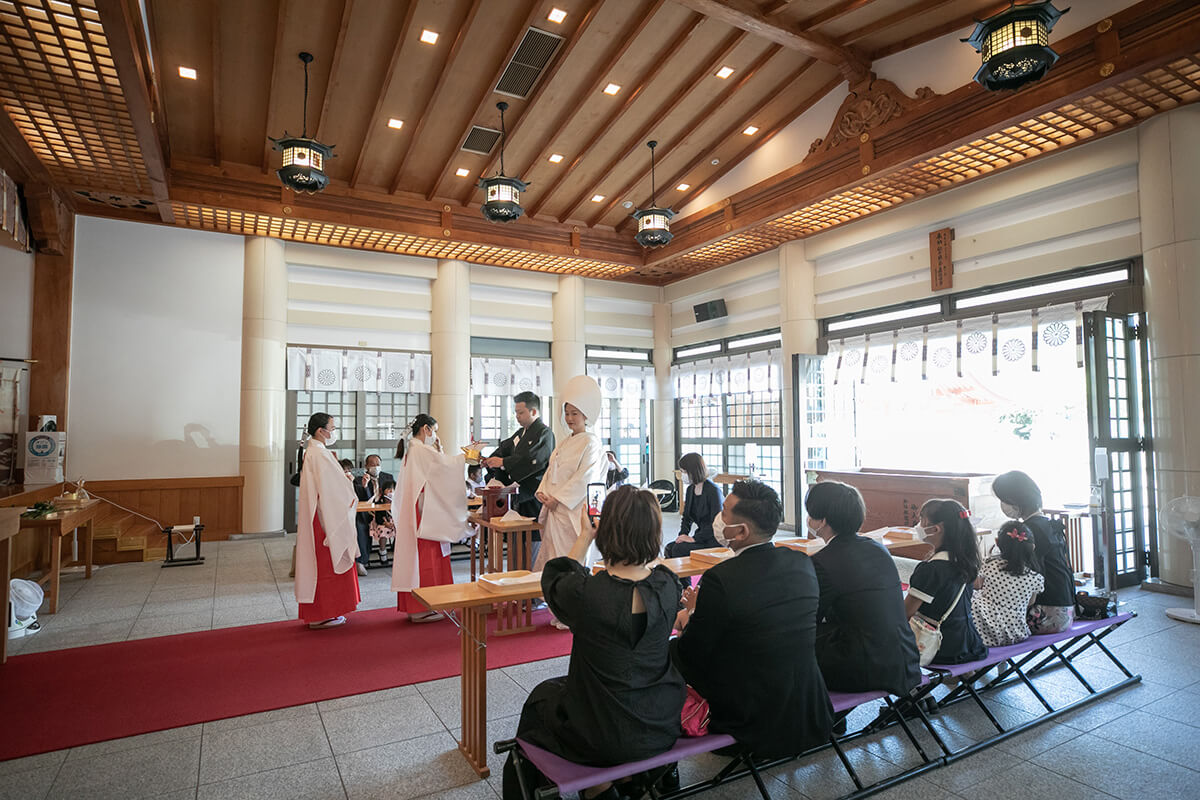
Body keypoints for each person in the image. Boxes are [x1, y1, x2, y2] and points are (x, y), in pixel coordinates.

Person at [502, 486, 686, 800]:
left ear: (606, 533)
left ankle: (598, 788)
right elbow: (650, 568)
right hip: (661, 721)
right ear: (655, 532)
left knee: (540, 702)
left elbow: (557, 575)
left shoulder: (587, 594)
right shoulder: (668, 585)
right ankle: (623, 783)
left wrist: (585, 536)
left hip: (601, 734)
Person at [671, 481, 833, 759]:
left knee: (663, 657)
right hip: (809, 703)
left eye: (724, 512)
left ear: (742, 531)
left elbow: (692, 655)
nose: (718, 520)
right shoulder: (801, 563)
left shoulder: (722, 579)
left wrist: (687, 622)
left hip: (749, 713)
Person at [806, 481, 921, 697]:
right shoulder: (877, 548)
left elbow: (809, 617)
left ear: (821, 520)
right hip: (904, 656)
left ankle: (825, 721)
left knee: (795, 642)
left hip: (865, 666)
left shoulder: (823, 561)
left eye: (811, 513)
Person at [534, 377, 607, 630]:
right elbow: (550, 471)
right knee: (555, 560)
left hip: (574, 511)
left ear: (586, 415)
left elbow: (586, 477)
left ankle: (574, 610)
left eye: (574, 413)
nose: (569, 418)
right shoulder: (564, 442)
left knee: (573, 559)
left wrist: (559, 498)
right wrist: (543, 492)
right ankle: (558, 607)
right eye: (567, 413)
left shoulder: (592, 442)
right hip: (556, 510)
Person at [391, 414, 470, 622]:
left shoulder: (415, 449)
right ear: (426, 429)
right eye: (434, 430)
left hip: (420, 512)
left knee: (421, 560)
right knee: (425, 561)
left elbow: (439, 468)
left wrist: (441, 452)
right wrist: (467, 456)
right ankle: (421, 607)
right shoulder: (420, 450)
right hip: (424, 516)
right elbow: (446, 468)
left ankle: (419, 607)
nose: (435, 435)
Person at [295, 413, 361, 629]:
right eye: (332, 428)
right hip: (324, 518)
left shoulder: (313, 452)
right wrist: (348, 485)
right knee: (326, 563)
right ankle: (324, 612)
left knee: (320, 563)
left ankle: (321, 612)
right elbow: (334, 489)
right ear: (320, 431)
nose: (333, 432)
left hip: (318, 513)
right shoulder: (320, 454)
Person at [905, 499, 987, 664]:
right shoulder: (967, 562)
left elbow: (905, 613)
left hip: (940, 648)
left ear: (936, 529)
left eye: (921, 519)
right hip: (971, 644)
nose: (918, 525)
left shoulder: (931, 570)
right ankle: (962, 677)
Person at [993, 470, 1075, 634]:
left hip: (1047, 614)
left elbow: (1021, 574)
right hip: (1067, 608)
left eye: (1004, 500)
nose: (1002, 504)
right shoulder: (1047, 523)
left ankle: (998, 659)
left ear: (1016, 500)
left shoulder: (1029, 531)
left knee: (984, 616)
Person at [971, 520, 1045, 647]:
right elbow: (1030, 603)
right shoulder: (1036, 578)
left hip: (987, 631)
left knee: (969, 596)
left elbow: (976, 585)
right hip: (1017, 632)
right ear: (1032, 547)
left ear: (997, 542)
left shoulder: (990, 564)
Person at [483, 391, 555, 519]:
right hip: (516, 489)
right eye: (516, 412)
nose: (517, 416)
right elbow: (504, 448)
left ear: (533, 412)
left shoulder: (545, 433)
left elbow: (534, 460)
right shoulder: (521, 432)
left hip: (532, 491)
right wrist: (489, 460)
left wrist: (503, 462)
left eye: (521, 412)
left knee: (530, 532)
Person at [663, 453, 722, 558]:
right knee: (669, 548)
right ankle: (673, 574)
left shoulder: (713, 491)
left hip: (712, 539)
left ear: (693, 471)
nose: (682, 475)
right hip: (700, 536)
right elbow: (686, 518)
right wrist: (682, 535)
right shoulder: (690, 490)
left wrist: (694, 539)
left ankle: (684, 574)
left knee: (678, 549)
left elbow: (716, 524)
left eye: (684, 472)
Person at [353, 454, 394, 575]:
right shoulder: (358, 479)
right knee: (360, 525)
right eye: (372, 464)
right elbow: (361, 498)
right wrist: (365, 486)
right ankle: (361, 561)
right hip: (367, 513)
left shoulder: (388, 477)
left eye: (378, 464)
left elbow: (394, 494)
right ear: (366, 466)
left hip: (384, 512)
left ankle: (389, 552)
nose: (375, 467)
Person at [370, 479, 398, 566]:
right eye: (388, 489)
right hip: (381, 523)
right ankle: (382, 551)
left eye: (392, 489)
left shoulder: (397, 501)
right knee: (383, 531)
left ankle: (397, 551)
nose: (390, 491)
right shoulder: (380, 501)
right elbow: (378, 517)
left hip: (394, 522)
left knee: (401, 530)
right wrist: (385, 523)